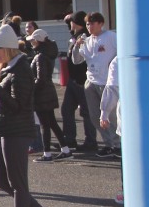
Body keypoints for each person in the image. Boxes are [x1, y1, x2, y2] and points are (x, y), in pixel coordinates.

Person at [0, 26, 58, 207]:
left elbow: (18, 106)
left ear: (7, 48)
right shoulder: (10, 69)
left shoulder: (21, 70)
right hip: (6, 128)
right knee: (1, 180)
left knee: (17, 181)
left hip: (16, 130)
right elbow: (9, 103)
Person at [71, 11, 119, 157]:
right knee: (95, 116)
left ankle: (118, 145)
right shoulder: (86, 40)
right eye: (87, 24)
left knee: (110, 115)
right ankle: (109, 144)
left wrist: (114, 66)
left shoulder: (110, 36)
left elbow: (122, 52)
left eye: (92, 23)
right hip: (91, 81)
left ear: (100, 23)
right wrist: (76, 46)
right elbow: (76, 60)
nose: (89, 26)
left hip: (106, 82)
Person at [27, 28, 71, 161]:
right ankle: (65, 149)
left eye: (33, 41)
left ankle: (47, 153)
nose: (31, 43)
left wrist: (31, 89)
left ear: (38, 41)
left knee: (45, 125)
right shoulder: (48, 53)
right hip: (48, 92)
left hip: (41, 95)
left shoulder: (40, 56)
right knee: (51, 123)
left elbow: (40, 78)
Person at [61, 11, 98, 153]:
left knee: (86, 112)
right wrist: (68, 20)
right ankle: (69, 139)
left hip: (82, 80)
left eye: (72, 22)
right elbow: (71, 29)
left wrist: (83, 79)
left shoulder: (84, 37)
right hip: (73, 80)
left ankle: (91, 141)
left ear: (76, 23)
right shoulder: (75, 36)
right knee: (66, 109)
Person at [99, 56, 123, 205]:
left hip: (131, 121)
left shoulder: (120, 59)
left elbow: (112, 88)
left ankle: (128, 191)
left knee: (131, 159)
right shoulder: (119, 60)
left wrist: (104, 113)